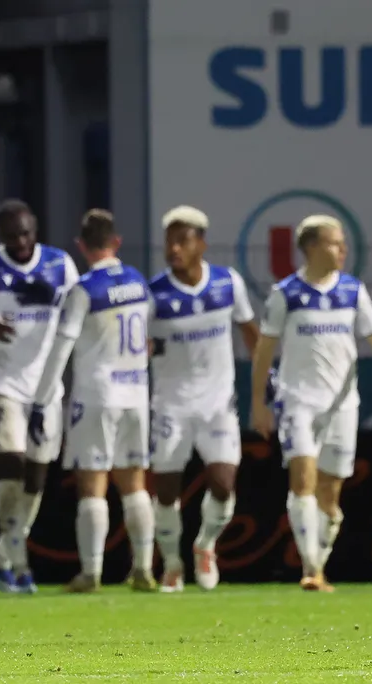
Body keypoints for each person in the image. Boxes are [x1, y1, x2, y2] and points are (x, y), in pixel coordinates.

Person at [250, 215, 372, 592]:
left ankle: (318, 563)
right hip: (297, 401)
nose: (343, 250)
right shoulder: (285, 294)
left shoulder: (351, 290)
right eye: (335, 243)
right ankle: (311, 569)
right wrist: (258, 401)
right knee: (302, 480)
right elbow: (264, 348)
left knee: (330, 497)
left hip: (342, 405)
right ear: (313, 247)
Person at [28, 209, 155, 592]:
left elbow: (61, 345)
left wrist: (41, 397)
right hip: (136, 392)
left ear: (81, 246)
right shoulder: (138, 282)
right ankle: (144, 568)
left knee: (92, 484)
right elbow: (149, 340)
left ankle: (91, 572)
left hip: (98, 394)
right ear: (116, 242)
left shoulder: (83, 290)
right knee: (134, 483)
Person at [0, 199, 79, 594]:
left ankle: (1, 559)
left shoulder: (60, 264)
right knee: (9, 473)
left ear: (36, 231)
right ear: (1, 236)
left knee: (36, 478)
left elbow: (78, 312)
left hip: (46, 388)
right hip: (3, 385)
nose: (21, 242)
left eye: (27, 233)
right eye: (13, 236)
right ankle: (20, 564)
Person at [147, 206, 258, 592]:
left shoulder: (228, 283)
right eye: (169, 242)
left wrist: (262, 387)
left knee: (224, 483)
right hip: (170, 405)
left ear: (202, 244)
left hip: (217, 404)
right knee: (165, 491)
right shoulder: (154, 293)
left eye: (183, 241)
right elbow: (136, 344)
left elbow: (250, 332)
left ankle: (205, 546)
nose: (174, 249)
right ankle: (173, 563)